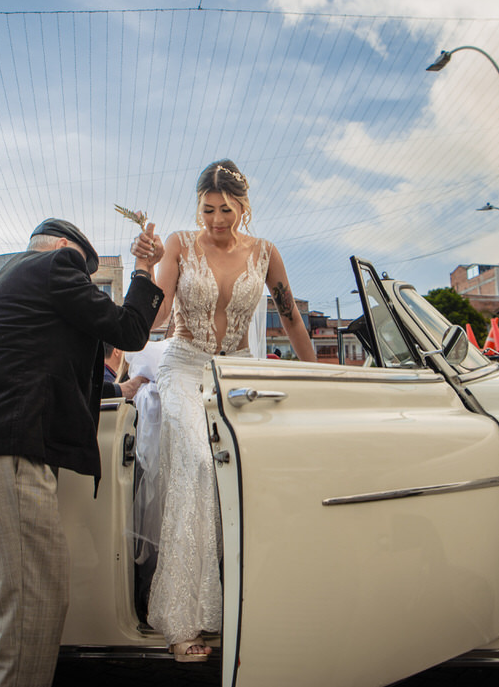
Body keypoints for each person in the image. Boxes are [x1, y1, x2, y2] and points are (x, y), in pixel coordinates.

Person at [0, 218, 164, 687]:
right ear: (63, 247)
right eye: (87, 273)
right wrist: (143, 269)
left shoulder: (4, 281)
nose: (85, 284)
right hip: (10, 447)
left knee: (10, 611)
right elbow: (130, 330)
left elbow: (42, 358)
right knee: (32, 610)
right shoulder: (55, 265)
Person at [130, 159, 314, 663]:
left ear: (243, 207)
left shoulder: (267, 253)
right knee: (195, 464)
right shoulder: (179, 244)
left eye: (225, 209)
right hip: (185, 367)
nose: (215, 219)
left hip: (237, 374)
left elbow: (292, 318)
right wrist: (144, 268)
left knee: (256, 474)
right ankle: (180, 619)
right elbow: (160, 316)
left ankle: (248, 602)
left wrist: (320, 377)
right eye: (207, 209)